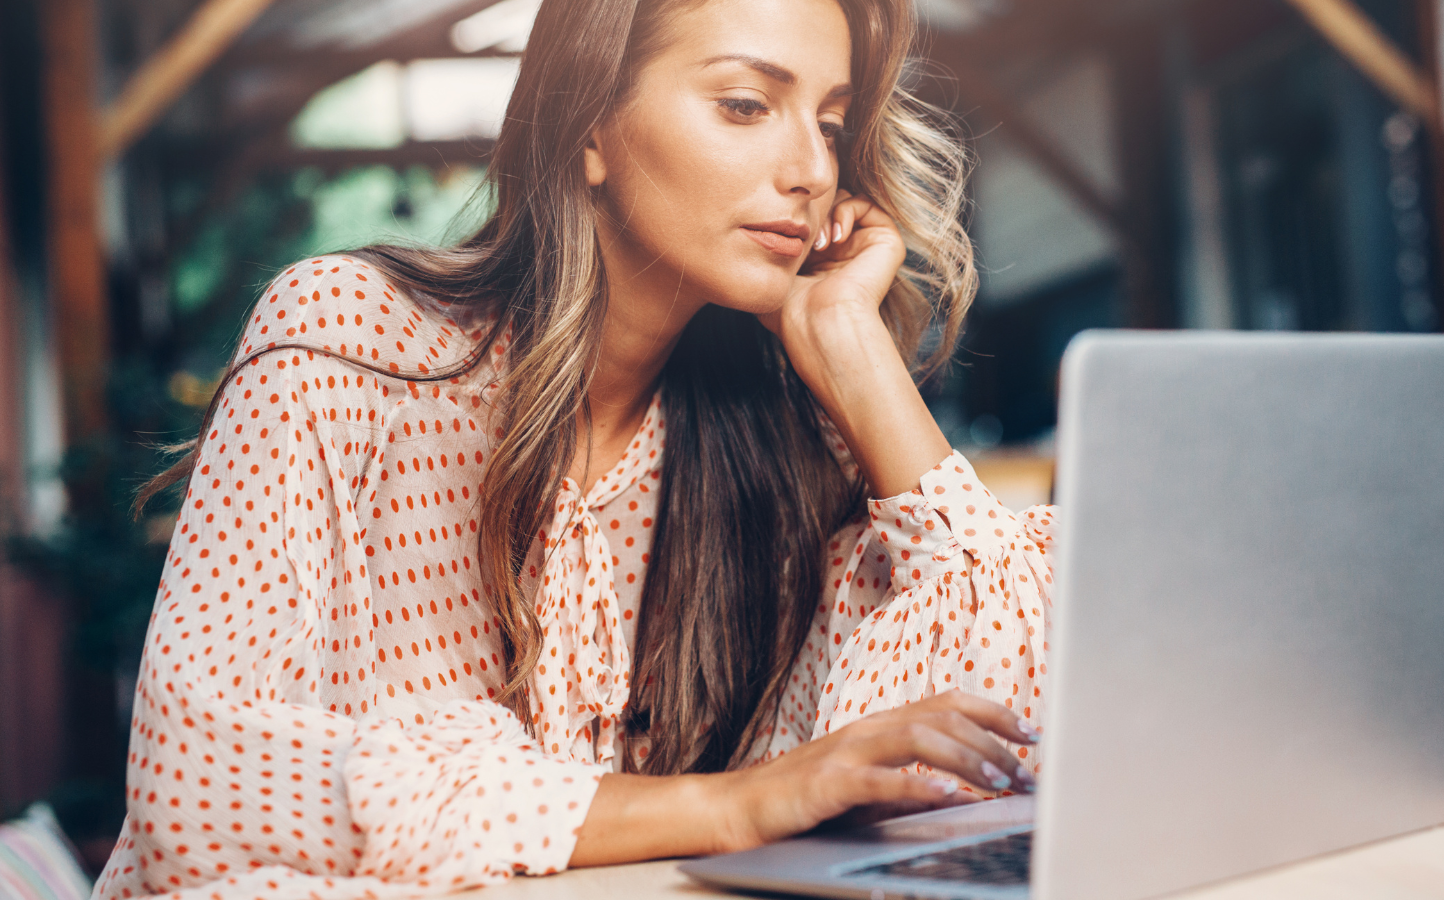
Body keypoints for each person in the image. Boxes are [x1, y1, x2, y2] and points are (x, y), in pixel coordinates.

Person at [95, 0, 1056, 897]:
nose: (812, 169)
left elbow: (1012, 749)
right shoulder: (353, 341)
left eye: (834, 123)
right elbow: (198, 778)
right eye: (746, 104)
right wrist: (729, 805)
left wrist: (860, 364)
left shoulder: (778, 449)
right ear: (590, 124)